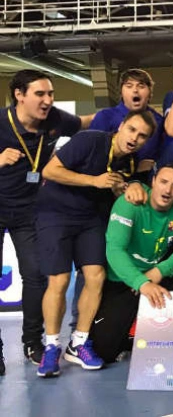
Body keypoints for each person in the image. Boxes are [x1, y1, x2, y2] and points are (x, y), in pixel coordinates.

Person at [35, 111, 155, 377]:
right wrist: (94, 181)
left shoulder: (130, 163)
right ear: (121, 126)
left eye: (142, 136)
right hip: (56, 214)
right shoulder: (89, 140)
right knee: (59, 280)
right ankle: (51, 346)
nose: (134, 138)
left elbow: (114, 187)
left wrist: (125, 187)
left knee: (96, 276)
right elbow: (50, 170)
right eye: (131, 130)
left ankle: (78, 342)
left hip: (91, 219)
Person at [0, 69, 82, 365]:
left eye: (51, 94)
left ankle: (32, 342)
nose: (48, 100)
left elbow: (85, 124)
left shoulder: (55, 120)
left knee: (36, 276)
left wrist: (122, 118)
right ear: (19, 95)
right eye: (40, 94)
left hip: (29, 212)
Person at [89, 163, 173, 363]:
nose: (168, 190)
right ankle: (133, 323)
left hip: (155, 274)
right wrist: (141, 283)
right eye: (163, 182)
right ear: (153, 182)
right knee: (104, 351)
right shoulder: (129, 202)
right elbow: (114, 250)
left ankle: (170, 331)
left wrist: (158, 271)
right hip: (125, 280)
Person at [90, 69, 165, 171]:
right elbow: (94, 153)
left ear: (149, 92)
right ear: (121, 92)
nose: (135, 90)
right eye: (129, 86)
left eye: (141, 86)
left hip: (147, 177)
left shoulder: (158, 121)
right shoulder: (105, 117)